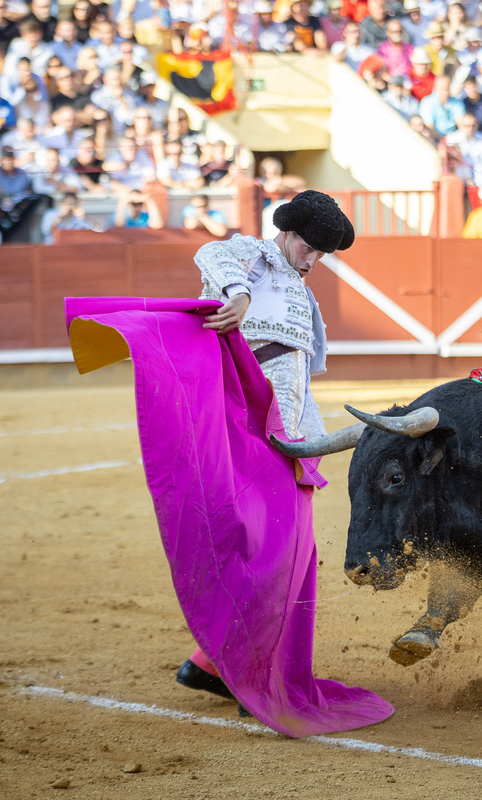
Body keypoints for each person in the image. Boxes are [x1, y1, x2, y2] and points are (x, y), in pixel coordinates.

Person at [176, 189, 356, 702]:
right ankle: (242, 669)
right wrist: (239, 295)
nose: (314, 259)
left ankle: (209, 663)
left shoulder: (300, 291)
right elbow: (209, 254)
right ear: (289, 233)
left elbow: (296, 377)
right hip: (247, 428)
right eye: (309, 247)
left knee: (289, 550)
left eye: (322, 252)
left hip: (285, 437)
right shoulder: (252, 256)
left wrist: (309, 446)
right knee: (276, 549)